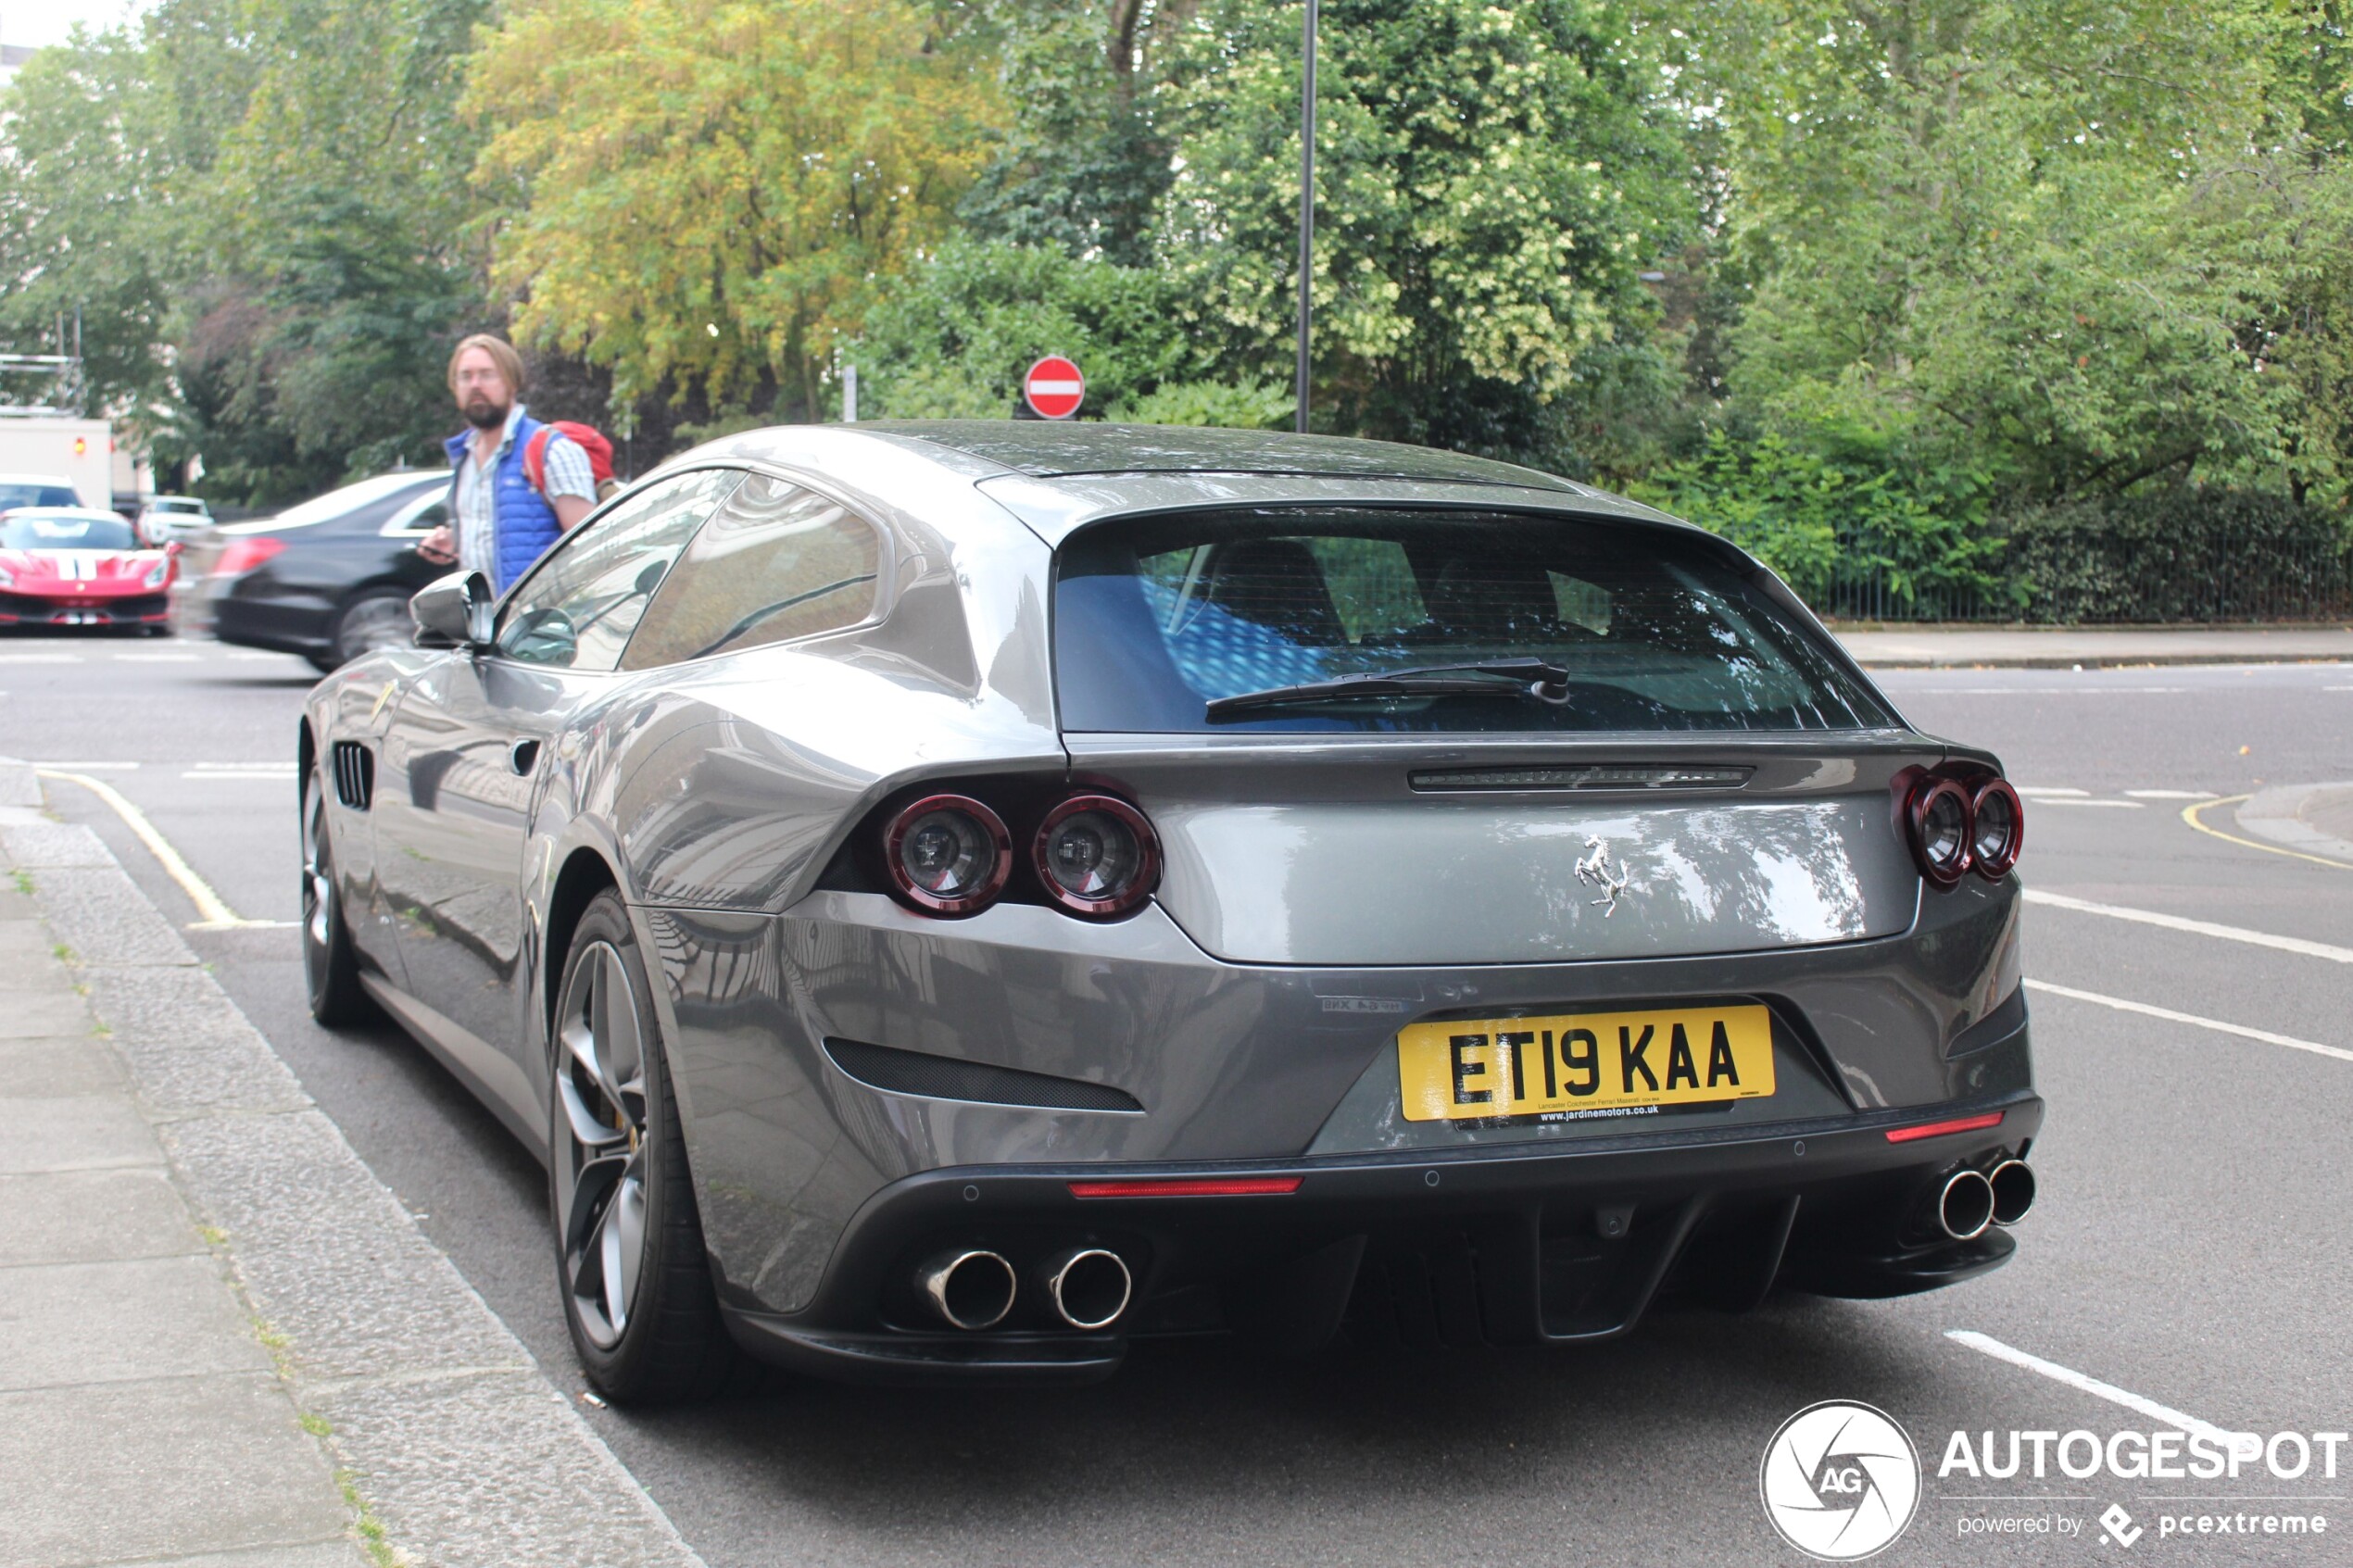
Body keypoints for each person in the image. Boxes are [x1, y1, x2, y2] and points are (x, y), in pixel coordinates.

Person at [418, 334, 598, 592]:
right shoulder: (464, 458)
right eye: (466, 376)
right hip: (484, 624)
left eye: (487, 374)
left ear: (511, 383)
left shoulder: (551, 450)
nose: (475, 385)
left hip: (542, 623)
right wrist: (453, 541)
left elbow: (591, 548)